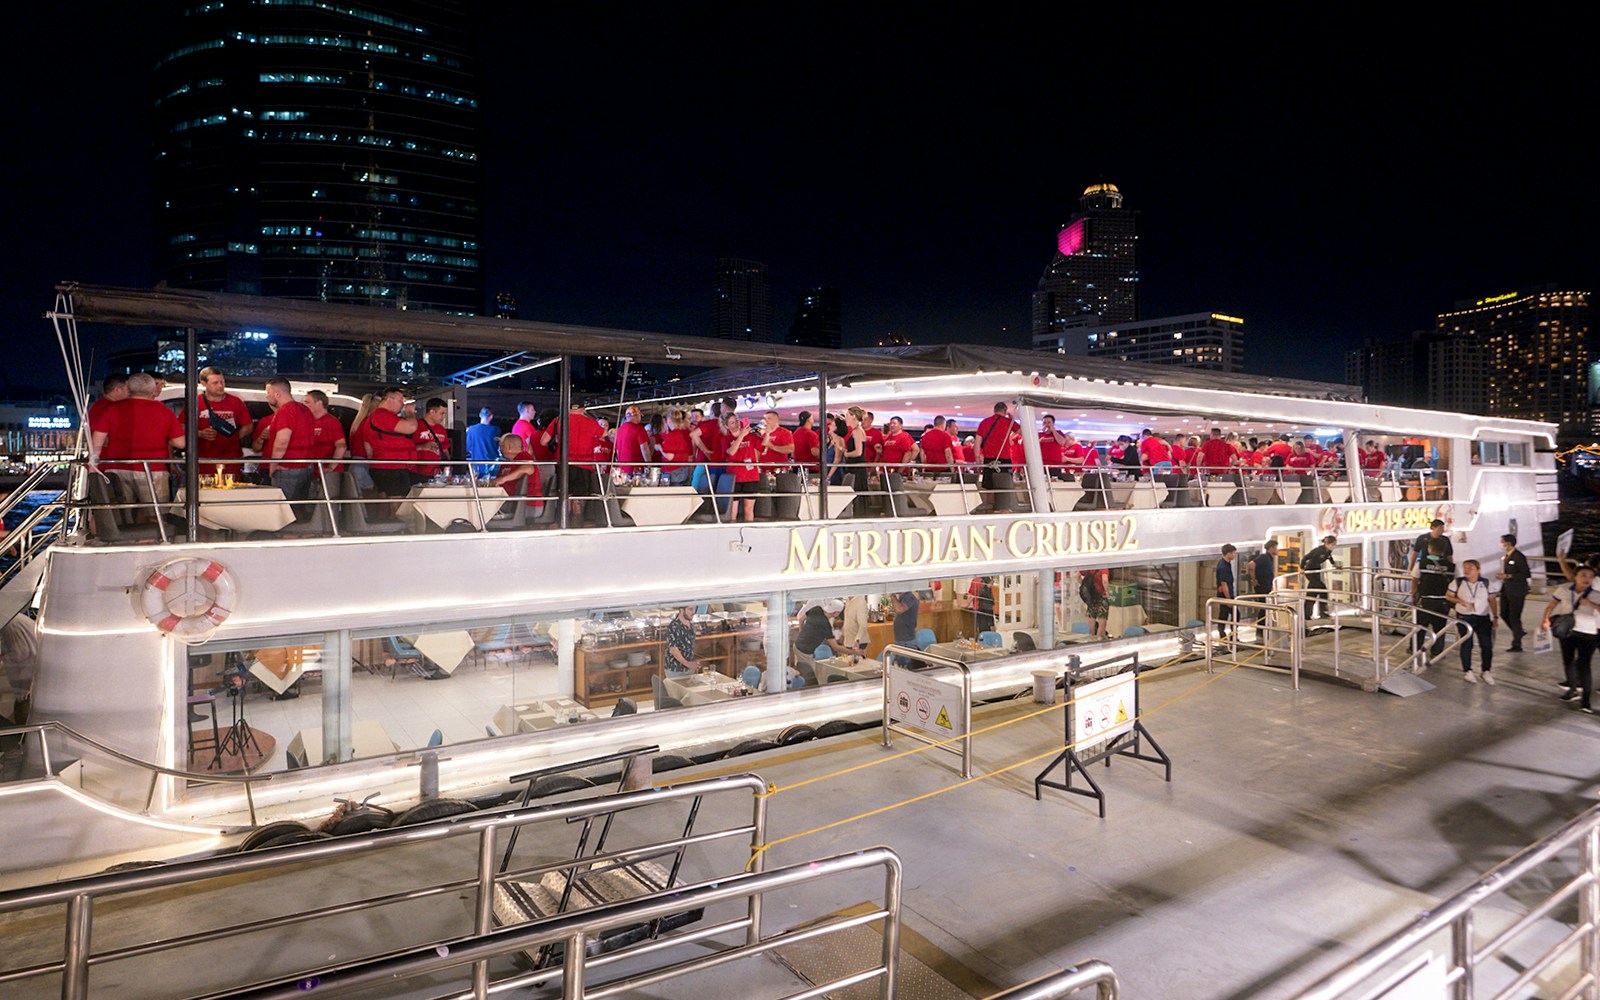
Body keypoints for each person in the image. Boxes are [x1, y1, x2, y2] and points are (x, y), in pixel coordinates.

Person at [90, 371, 183, 520]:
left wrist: (93, 465)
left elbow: (97, 441)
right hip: (153, 469)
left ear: (129, 387)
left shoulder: (112, 409)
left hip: (117, 468)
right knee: (156, 516)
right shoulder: (164, 411)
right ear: (152, 389)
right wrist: (164, 438)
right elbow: (180, 442)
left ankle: (127, 539)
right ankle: (153, 539)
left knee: (121, 514)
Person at [1540, 563, 1599, 711]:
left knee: (1584, 666)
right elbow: (1551, 605)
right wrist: (1546, 619)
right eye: (1583, 575)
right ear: (1575, 577)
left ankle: (1586, 701)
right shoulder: (1564, 589)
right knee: (1568, 662)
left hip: (1588, 633)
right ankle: (1572, 690)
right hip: (1567, 631)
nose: (1587, 579)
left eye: (1591, 576)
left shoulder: (1597, 594)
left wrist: (1591, 604)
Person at [540, 401, 605, 526]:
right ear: (584, 409)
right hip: (584, 465)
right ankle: (577, 528)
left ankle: (564, 527)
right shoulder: (591, 423)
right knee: (579, 502)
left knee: (565, 497)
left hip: (563, 465)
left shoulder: (558, 420)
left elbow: (544, 441)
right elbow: (604, 434)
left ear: (568, 409)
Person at [183, 366, 253, 474]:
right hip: (202, 460)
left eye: (222, 382)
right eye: (215, 383)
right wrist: (200, 434)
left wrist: (233, 437)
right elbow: (181, 426)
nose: (220, 386)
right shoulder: (194, 403)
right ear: (203, 383)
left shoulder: (236, 401)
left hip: (231, 460)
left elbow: (248, 426)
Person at [262, 376, 316, 503]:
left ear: (277, 394)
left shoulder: (285, 411)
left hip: (287, 468)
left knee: (284, 509)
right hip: (306, 467)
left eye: (268, 392)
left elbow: (282, 441)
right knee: (298, 508)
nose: (267, 396)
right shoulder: (304, 410)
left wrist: (273, 464)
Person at [1447, 559, 1499, 684]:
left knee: (1486, 645)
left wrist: (1495, 617)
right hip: (1464, 617)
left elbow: (1492, 600)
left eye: (1470, 568)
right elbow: (1448, 595)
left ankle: (1486, 670)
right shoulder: (1458, 582)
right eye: (1465, 568)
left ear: (1478, 570)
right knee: (1466, 644)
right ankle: (1467, 671)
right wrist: (1459, 601)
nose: (1467, 570)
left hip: (1482, 617)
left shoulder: (1486, 583)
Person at [366, 387, 419, 501]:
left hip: (385, 465)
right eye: (400, 400)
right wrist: (410, 413)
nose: (402, 404)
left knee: (386, 502)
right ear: (390, 399)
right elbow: (411, 427)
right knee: (398, 503)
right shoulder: (383, 415)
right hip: (392, 467)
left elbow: (368, 446)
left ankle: (385, 518)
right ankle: (395, 518)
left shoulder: (375, 417)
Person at [1413, 537, 1455, 661]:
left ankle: (1415, 649)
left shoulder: (1421, 564)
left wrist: (1414, 593)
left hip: (1425, 600)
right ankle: (1437, 652)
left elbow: (1415, 579)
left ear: (1429, 549)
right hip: (1443, 601)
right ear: (1444, 551)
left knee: (1420, 627)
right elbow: (1455, 582)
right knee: (1440, 628)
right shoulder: (1452, 566)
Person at [975, 402, 1019, 510]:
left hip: (988, 459)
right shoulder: (1008, 422)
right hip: (1004, 459)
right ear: (1005, 411)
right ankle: (1003, 509)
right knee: (1004, 487)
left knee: (989, 487)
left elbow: (977, 443)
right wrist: (1013, 420)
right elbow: (1024, 432)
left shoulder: (984, 422)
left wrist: (978, 460)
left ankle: (990, 509)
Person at [1495, 534, 1532, 651]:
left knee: (1514, 616)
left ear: (1508, 543)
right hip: (1506, 589)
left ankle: (1517, 643)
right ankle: (1518, 632)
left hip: (1517, 590)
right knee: (1504, 613)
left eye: (1502, 542)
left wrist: (1508, 575)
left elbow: (1526, 573)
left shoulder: (1518, 557)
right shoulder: (1506, 556)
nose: (1501, 544)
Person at [492, 433, 542, 516]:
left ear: (510, 446)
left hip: (525, 505)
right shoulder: (507, 462)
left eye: (501, 445)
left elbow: (529, 468)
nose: (499, 448)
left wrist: (503, 479)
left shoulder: (524, 457)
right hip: (511, 502)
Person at [723, 412, 761, 522]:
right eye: (732, 423)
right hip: (734, 476)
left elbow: (762, 446)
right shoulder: (725, 438)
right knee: (732, 510)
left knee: (748, 509)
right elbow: (731, 452)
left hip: (750, 476)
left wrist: (766, 434)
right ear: (727, 426)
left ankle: (749, 531)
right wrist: (741, 436)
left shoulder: (750, 436)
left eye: (736, 421)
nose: (736, 424)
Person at [304, 389, 348, 483]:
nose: (305, 406)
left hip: (327, 474)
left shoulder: (331, 422)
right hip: (312, 472)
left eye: (307, 402)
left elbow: (341, 446)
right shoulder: (308, 422)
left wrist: (331, 467)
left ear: (319, 403)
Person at [412, 398, 451, 480]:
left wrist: (448, 466)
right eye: (442, 413)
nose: (443, 417)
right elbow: (404, 448)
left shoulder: (441, 429)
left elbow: (445, 449)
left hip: (437, 473)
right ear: (432, 412)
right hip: (416, 472)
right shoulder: (414, 426)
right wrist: (422, 446)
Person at [1302, 535, 1340, 619]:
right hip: (1310, 571)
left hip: (1316, 572)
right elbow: (1305, 558)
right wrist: (1301, 568)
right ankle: (1321, 612)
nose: (1334, 546)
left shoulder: (1327, 551)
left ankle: (1308, 614)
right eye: (1333, 544)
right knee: (1322, 590)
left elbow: (1330, 558)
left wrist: (1334, 565)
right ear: (1327, 543)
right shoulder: (1318, 550)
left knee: (1312, 593)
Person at [659, 409, 694, 485]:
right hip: (684, 469)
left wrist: (659, 448)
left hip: (673, 471)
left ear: (669, 420)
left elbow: (670, 456)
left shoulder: (671, 436)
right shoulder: (685, 434)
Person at [664, 605, 701, 674]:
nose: (693, 612)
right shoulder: (674, 627)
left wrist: (693, 663)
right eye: (690, 609)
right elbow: (673, 650)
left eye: (695, 609)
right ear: (681, 610)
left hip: (689, 668)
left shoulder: (690, 625)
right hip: (675, 670)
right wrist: (687, 663)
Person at [466, 408, 499, 476]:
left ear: (480, 415)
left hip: (476, 465)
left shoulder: (471, 430)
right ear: (491, 416)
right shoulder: (495, 430)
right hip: (492, 466)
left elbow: (468, 448)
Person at [1215, 544, 1238, 637]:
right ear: (1228, 553)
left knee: (1224, 615)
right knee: (1234, 614)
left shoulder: (1227, 564)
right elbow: (1224, 584)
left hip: (1227, 594)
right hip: (1225, 595)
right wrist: (1228, 598)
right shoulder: (1223, 566)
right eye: (1233, 553)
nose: (1234, 555)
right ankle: (1229, 635)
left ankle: (1226, 635)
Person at [1080, 569, 1109, 637]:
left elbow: (1077, 575)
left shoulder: (1090, 566)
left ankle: (1091, 639)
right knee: (1102, 621)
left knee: (1091, 618)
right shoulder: (1104, 568)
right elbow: (1105, 580)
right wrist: (1106, 591)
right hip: (1101, 597)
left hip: (1091, 598)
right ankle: (1098, 640)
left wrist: (1085, 586)